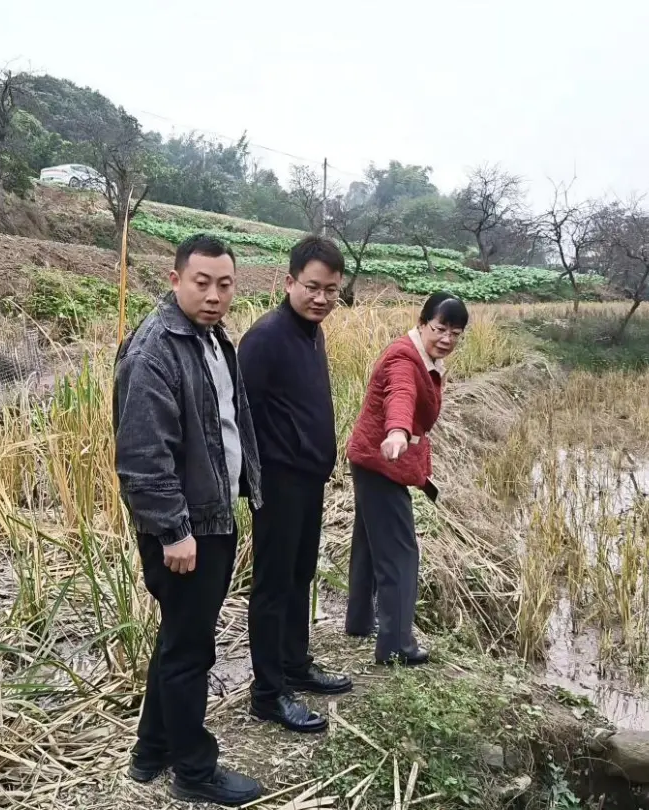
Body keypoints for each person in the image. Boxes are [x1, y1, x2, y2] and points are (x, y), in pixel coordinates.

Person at [114, 234, 265, 807]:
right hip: (185, 529)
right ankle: (194, 772)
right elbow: (142, 455)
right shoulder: (155, 349)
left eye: (225, 284)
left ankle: (151, 751)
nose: (214, 295)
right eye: (202, 283)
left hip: (211, 516)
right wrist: (173, 530)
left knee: (180, 638)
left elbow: (227, 424)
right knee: (190, 650)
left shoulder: (212, 339)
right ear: (175, 279)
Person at [239, 235, 352, 734]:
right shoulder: (266, 338)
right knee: (272, 585)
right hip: (278, 481)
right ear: (289, 282)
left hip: (309, 480)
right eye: (313, 287)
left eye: (331, 290)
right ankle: (268, 693)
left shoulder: (312, 333)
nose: (322, 298)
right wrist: (255, 480)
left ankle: (294, 663)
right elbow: (240, 415)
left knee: (301, 573)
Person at [343, 292, 469, 666]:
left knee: (369, 542)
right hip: (382, 461)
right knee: (401, 553)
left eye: (455, 333)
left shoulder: (423, 356)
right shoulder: (404, 358)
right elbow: (400, 393)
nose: (446, 339)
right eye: (440, 328)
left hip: (373, 459)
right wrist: (397, 431)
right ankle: (396, 644)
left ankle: (359, 621)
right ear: (422, 323)